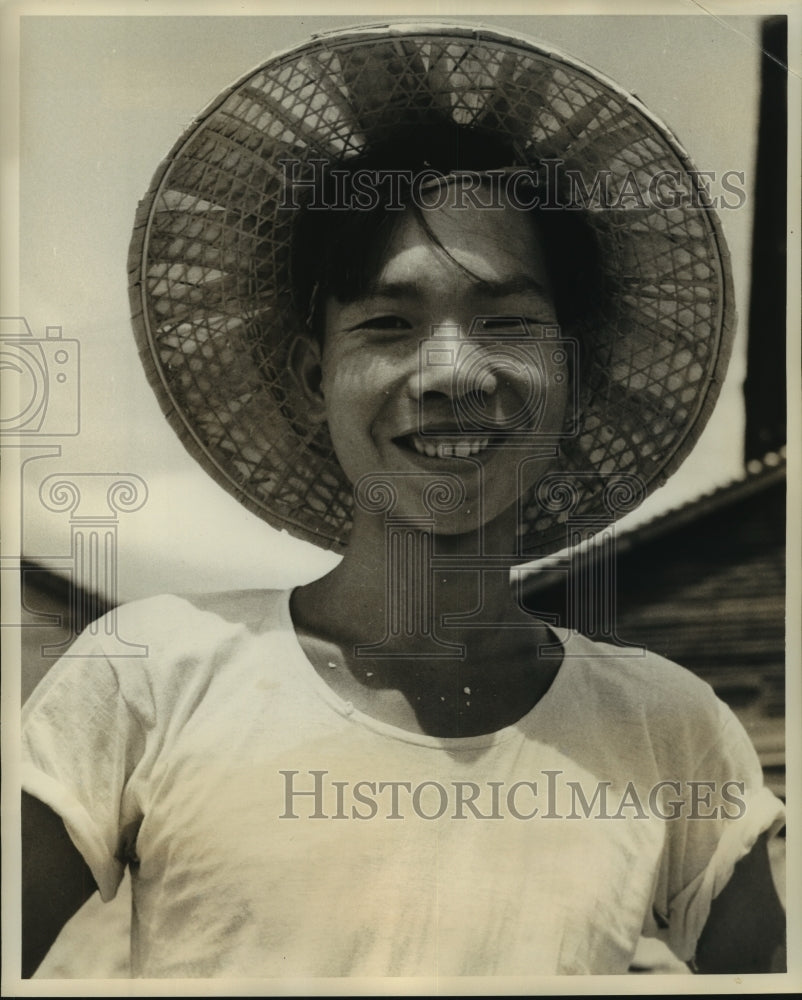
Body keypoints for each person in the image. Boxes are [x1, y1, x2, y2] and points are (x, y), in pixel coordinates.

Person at [22, 22, 785, 978]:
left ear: (575, 379)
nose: (452, 374)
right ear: (313, 377)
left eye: (507, 321)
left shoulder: (671, 735)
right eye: (389, 324)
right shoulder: (153, 684)